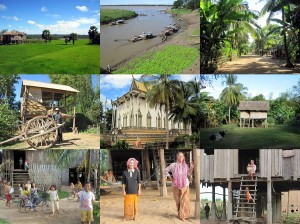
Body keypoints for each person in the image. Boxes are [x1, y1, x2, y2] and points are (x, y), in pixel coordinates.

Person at [165, 152, 194, 221]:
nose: (180, 158)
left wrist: (192, 168)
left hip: (185, 185)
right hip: (176, 185)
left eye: (181, 156)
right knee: (178, 201)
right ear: (177, 157)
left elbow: (189, 174)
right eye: (179, 156)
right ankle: (179, 212)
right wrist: (171, 178)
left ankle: (183, 215)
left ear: (183, 158)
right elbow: (166, 170)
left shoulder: (186, 166)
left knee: (184, 200)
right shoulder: (173, 165)